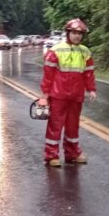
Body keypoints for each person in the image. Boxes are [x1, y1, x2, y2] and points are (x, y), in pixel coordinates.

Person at [38, 18, 97, 167]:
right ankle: (51, 155)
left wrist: (91, 89)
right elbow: (48, 75)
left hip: (76, 96)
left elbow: (88, 73)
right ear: (68, 33)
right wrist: (44, 95)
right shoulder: (56, 51)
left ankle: (72, 153)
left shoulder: (85, 52)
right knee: (55, 125)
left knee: (73, 126)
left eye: (80, 33)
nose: (77, 36)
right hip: (58, 96)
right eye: (74, 33)